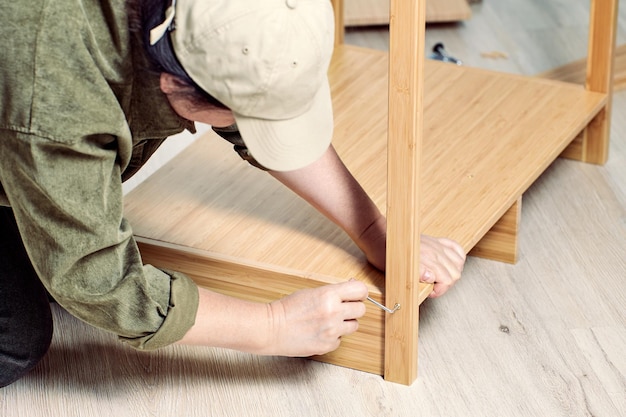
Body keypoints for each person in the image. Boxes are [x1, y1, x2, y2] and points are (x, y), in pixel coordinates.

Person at [0, 0, 466, 387]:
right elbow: (100, 282)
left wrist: (375, 230)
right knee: (15, 339)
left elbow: (249, 85)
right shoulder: (54, 97)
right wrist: (273, 327)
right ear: (176, 87)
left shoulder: (229, 15)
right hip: (26, 114)